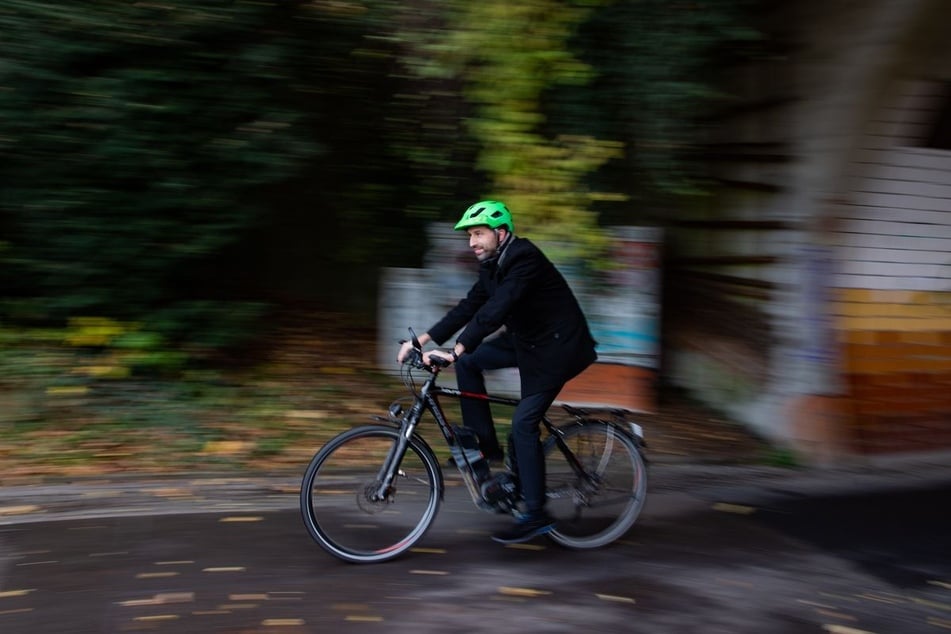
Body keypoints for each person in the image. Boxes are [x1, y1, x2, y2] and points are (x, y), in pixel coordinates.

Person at [397, 200, 597, 544]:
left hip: (556, 349)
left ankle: (536, 514)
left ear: (500, 233)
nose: (471, 242)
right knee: (472, 364)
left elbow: (496, 309)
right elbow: (471, 306)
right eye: (469, 235)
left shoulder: (524, 258)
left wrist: (456, 351)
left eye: (478, 234)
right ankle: (485, 446)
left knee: (522, 425)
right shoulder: (491, 264)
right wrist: (424, 339)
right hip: (525, 341)